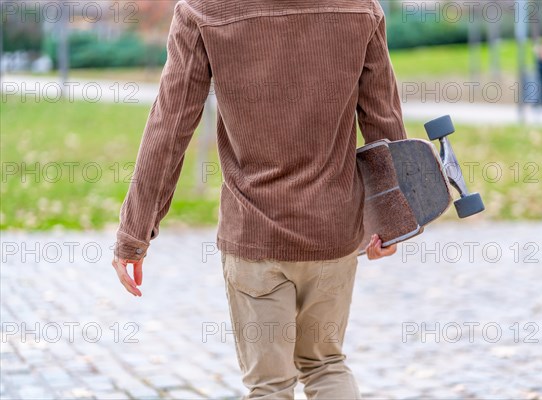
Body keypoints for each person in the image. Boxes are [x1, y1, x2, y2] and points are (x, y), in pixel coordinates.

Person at [111, 0, 403, 398]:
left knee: (269, 386)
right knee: (327, 366)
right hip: (332, 232)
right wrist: (395, 219)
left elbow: (170, 126)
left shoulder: (203, 11)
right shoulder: (360, 9)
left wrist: (134, 233)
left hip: (254, 235)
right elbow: (383, 121)